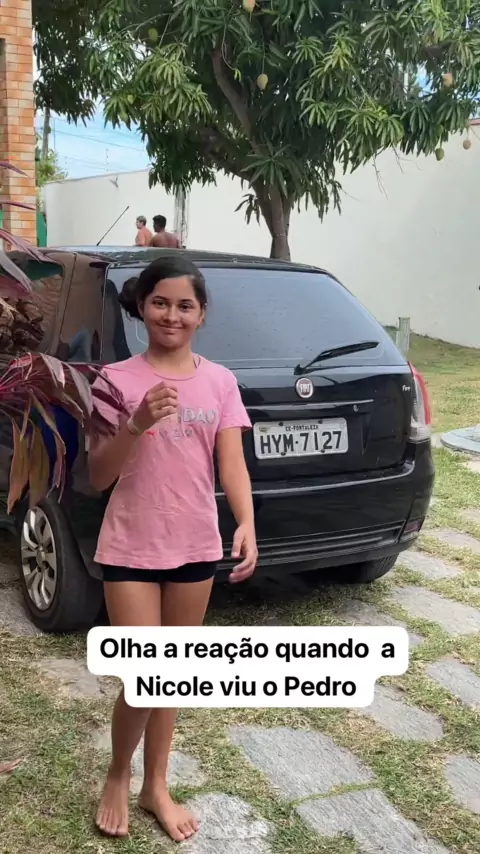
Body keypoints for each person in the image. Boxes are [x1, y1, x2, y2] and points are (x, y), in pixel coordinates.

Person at [88, 255, 258, 842]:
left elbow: (231, 463)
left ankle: (155, 785)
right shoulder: (114, 380)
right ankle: (118, 774)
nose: (172, 315)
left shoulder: (220, 382)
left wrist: (246, 522)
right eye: (160, 302)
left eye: (185, 305)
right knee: (145, 674)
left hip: (194, 544)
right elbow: (98, 475)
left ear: (201, 314)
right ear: (142, 306)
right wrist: (135, 424)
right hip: (131, 547)